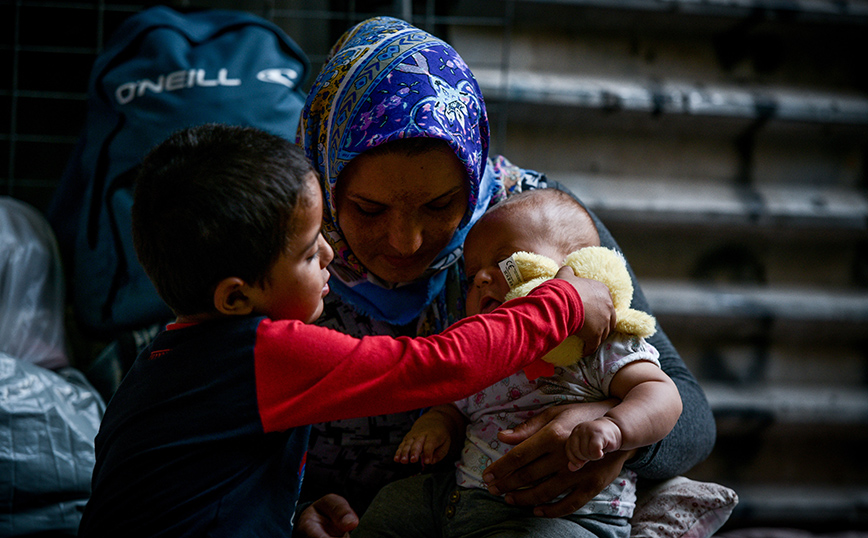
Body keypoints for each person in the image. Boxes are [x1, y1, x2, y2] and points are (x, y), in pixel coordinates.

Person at [77, 123, 615, 537]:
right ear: (236, 296)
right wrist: (561, 301)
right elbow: (439, 365)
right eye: (312, 252)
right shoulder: (262, 354)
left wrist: (290, 512)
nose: (332, 256)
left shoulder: (161, 362)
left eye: (439, 204)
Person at [296, 16, 715, 537]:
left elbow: (690, 411)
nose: (406, 242)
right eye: (368, 209)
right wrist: (292, 506)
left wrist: (617, 438)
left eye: (441, 204)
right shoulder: (290, 243)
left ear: (472, 176)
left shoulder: (534, 228)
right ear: (327, 178)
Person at [351, 188, 683, 538]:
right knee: (394, 505)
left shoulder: (600, 343)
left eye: (507, 264)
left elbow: (662, 394)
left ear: (583, 274)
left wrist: (617, 428)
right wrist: (439, 423)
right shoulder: (485, 345)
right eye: (471, 276)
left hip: (559, 518)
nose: (481, 278)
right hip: (461, 497)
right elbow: (455, 405)